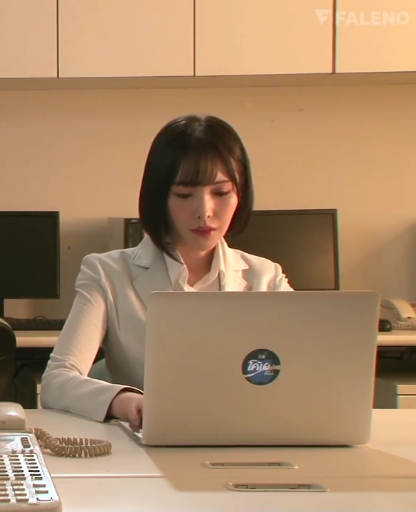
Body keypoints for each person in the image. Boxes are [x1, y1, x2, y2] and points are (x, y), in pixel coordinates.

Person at [39, 114, 292, 431]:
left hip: (249, 437)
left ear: (240, 194)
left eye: (221, 193)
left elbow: (306, 370)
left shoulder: (265, 277)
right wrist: (126, 401)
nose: (204, 212)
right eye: (185, 195)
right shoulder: (107, 273)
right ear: (160, 197)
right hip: (148, 445)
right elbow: (57, 382)